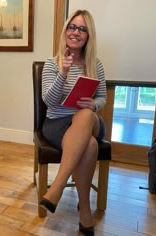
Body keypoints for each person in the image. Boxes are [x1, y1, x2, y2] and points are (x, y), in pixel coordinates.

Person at [40, 9, 107, 236]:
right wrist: (63, 72)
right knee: (89, 145)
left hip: (89, 120)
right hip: (58, 124)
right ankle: (85, 210)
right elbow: (49, 100)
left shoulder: (94, 64)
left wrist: (93, 105)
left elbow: (103, 98)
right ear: (65, 31)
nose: (75, 32)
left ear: (88, 36)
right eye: (72, 27)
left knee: (86, 115)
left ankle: (57, 187)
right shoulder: (52, 64)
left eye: (82, 29)